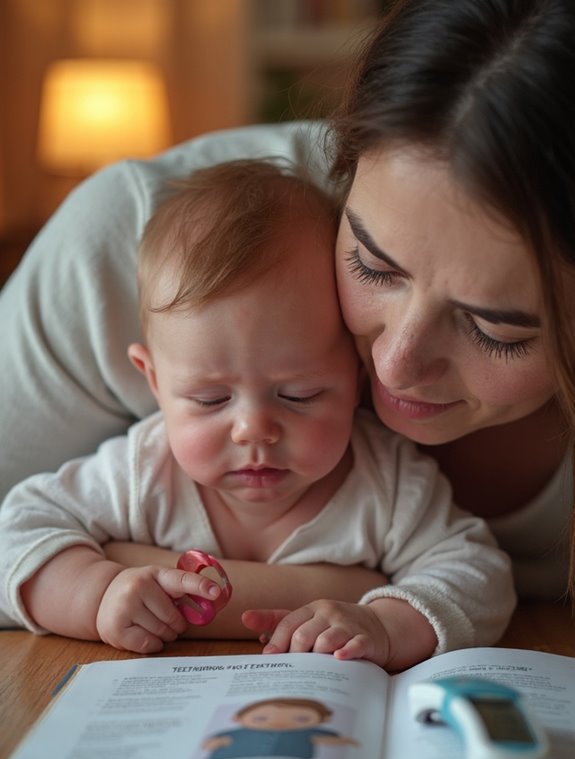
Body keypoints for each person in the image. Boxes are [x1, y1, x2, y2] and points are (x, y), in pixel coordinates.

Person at [0, 0, 571, 626]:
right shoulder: (132, 247)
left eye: (495, 329)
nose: (393, 367)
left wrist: (370, 608)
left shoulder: (390, 488)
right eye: (373, 268)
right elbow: (16, 536)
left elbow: (468, 572)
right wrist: (343, 588)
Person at [0, 159, 513, 668]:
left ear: (357, 377)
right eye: (210, 400)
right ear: (154, 380)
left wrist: (385, 623)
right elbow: (16, 532)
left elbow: (479, 574)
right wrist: (95, 592)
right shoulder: (140, 473)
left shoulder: (387, 482)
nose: (254, 430)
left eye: (299, 395)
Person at [201, 697, 358, 759]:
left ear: (323, 720)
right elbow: (213, 742)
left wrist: (343, 741)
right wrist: (216, 742)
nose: (279, 723)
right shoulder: (237, 734)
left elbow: (327, 738)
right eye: (260, 719)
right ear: (237, 718)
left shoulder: (306, 733)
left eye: (302, 719)